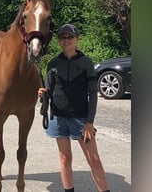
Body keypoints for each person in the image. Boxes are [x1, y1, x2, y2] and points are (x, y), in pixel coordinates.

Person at [38, 24, 110, 192]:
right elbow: (49, 90)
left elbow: (93, 94)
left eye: (70, 37)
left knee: (94, 160)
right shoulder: (53, 64)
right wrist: (43, 94)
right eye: (62, 37)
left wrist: (89, 122)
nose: (66, 40)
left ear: (77, 40)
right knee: (65, 159)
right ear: (58, 41)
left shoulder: (86, 62)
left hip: (81, 119)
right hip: (59, 117)